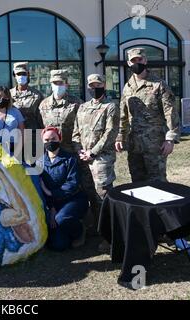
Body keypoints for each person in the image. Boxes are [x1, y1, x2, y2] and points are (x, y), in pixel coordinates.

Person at [39, 69, 99, 229]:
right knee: (55, 186)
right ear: (50, 84)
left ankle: (95, 223)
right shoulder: (43, 105)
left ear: (66, 84)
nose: (58, 86)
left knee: (88, 188)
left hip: (74, 153)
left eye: (61, 83)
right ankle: (61, 218)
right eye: (55, 83)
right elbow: (43, 130)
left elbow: (82, 129)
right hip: (55, 156)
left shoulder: (77, 103)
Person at [115, 47, 181, 182]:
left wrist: (170, 139)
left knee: (157, 182)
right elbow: (123, 114)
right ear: (128, 63)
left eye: (140, 59)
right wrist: (120, 137)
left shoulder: (159, 84)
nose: (136, 62)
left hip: (155, 144)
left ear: (145, 60)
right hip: (134, 144)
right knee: (137, 181)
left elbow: (170, 112)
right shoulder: (127, 87)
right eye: (133, 60)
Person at [72, 74, 120, 251]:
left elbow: (110, 133)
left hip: (101, 160)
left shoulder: (111, 106)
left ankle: (111, 236)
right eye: (91, 85)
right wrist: (80, 151)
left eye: (97, 84)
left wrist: (92, 153)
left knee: (104, 197)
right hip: (84, 158)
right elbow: (75, 132)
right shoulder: (83, 107)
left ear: (104, 85)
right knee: (89, 194)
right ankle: (95, 228)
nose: (94, 88)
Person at [38, 126, 88, 251]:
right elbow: (41, 189)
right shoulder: (39, 162)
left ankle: (80, 231)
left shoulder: (70, 158)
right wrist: (52, 208)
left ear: (59, 139)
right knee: (58, 245)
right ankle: (65, 232)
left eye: (53, 138)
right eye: (46, 140)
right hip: (54, 203)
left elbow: (72, 184)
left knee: (61, 219)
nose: (50, 142)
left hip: (73, 200)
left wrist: (51, 192)